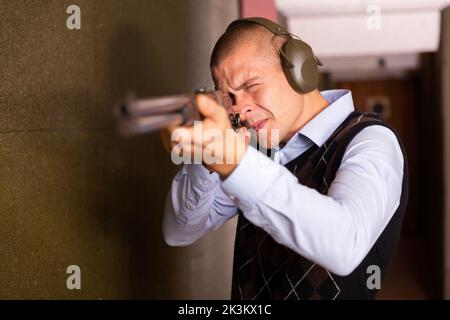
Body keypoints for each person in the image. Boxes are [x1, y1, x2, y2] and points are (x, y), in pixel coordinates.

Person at [162, 17, 408, 300]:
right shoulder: (256, 151)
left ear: (298, 69)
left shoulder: (371, 140)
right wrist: (206, 161)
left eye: (251, 85)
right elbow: (178, 232)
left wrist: (235, 163)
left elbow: (345, 244)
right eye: (229, 97)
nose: (239, 110)